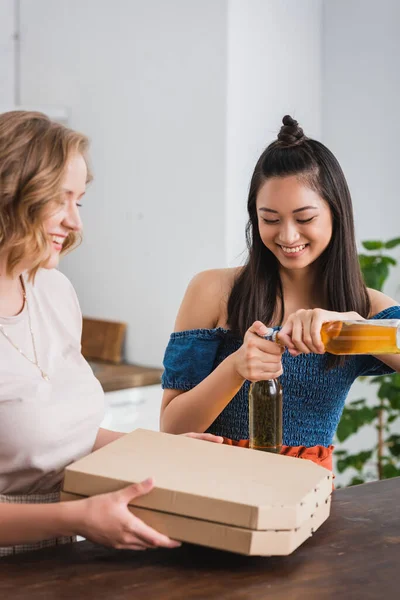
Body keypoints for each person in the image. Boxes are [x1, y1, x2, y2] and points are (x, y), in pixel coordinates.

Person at [0, 110, 222, 557]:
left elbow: (58, 438)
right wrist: (77, 516)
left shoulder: (55, 292)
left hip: (60, 554)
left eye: (79, 202)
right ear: (10, 194)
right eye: (58, 199)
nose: (75, 222)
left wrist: (159, 450)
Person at [160, 114, 400, 471]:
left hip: (305, 497)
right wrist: (236, 368)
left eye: (304, 219)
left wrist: (351, 325)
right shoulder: (213, 290)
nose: (287, 236)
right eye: (270, 220)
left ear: (336, 214)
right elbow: (172, 429)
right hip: (210, 483)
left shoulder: (365, 307)